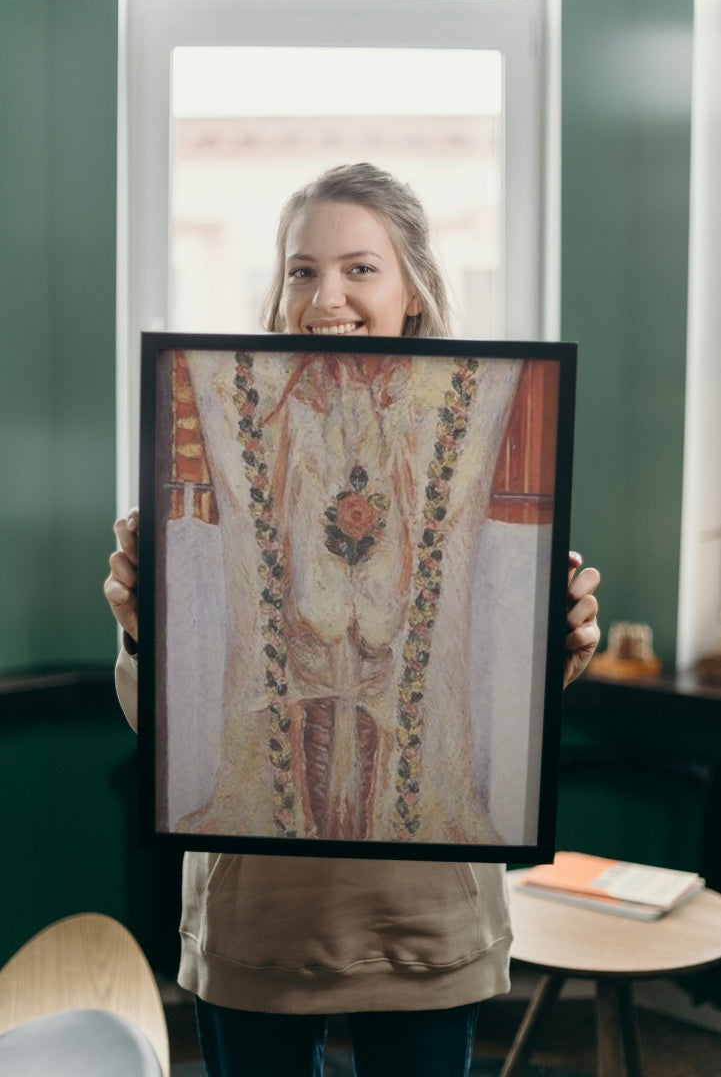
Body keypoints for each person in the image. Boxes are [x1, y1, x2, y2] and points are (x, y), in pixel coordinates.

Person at [105, 163, 600, 1077]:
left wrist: (558, 644)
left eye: (358, 268)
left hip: (424, 917)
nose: (324, 295)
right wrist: (144, 632)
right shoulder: (206, 415)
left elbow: (502, 699)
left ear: (412, 288)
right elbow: (165, 726)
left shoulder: (493, 410)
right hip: (258, 918)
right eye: (301, 270)